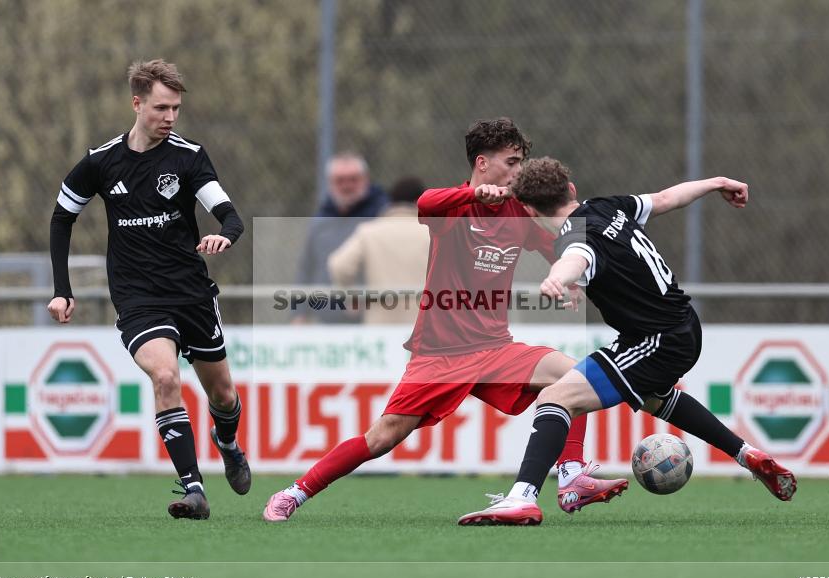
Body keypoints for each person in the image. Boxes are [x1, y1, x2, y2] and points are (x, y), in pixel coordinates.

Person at [264, 119, 627, 523]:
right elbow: (426, 203)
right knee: (383, 435)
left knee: (575, 377)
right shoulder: (455, 207)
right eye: (511, 162)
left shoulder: (517, 211)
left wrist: (568, 278)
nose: (519, 170)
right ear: (483, 163)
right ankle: (294, 493)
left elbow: (557, 246)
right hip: (439, 354)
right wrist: (473, 193)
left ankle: (571, 476)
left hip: (494, 348)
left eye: (521, 162)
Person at [458, 157, 797, 526]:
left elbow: (576, 258)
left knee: (555, 397)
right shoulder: (608, 206)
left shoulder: (574, 237)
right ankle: (745, 453)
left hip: (658, 340)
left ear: (528, 210)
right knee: (655, 398)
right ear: (571, 189)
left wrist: (558, 277)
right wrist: (715, 182)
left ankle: (522, 498)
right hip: (680, 325)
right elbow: (666, 198)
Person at [47, 59, 250, 520]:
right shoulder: (101, 162)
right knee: (165, 377)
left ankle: (227, 442)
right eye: (161, 108)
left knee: (222, 395)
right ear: (137, 104)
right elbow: (62, 217)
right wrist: (63, 288)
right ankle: (194, 489)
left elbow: (229, 215)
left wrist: (225, 235)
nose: (170, 117)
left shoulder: (188, 156)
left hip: (191, 293)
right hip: (138, 296)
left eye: (176, 108)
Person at [294, 152, 389, 323]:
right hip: (327, 321)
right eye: (340, 180)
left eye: (353, 179)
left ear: (366, 179)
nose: (347, 186)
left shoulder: (382, 216)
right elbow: (306, 268)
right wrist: (299, 313)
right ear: (330, 183)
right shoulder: (320, 221)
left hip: (372, 319)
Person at [327, 176, 430, 324]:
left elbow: (338, 265)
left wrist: (352, 296)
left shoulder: (368, 232)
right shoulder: (434, 233)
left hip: (380, 325)